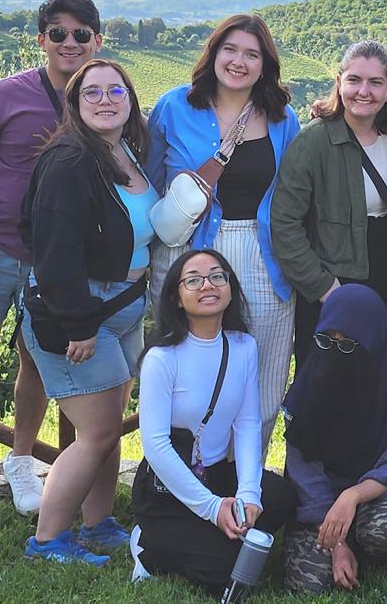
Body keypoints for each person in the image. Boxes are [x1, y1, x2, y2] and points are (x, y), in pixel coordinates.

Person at [0, 0, 104, 514]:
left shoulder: (104, 97)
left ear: (96, 42)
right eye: (58, 33)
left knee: (38, 357)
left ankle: (21, 461)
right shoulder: (6, 93)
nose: (69, 43)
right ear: (41, 40)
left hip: (57, 256)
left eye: (81, 34)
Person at [19, 58, 156, 565]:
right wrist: (78, 322)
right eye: (92, 92)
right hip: (79, 315)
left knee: (109, 424)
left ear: (130, 100)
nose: (105, 100)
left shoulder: (123, 150)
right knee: (96, 431)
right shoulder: (70, 159)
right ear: (74, 104)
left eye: (115, 91)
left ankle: (98, 525)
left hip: (122, 311)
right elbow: (54, 253)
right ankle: (49, 539)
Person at [145, 14, 301, 452]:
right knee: (189, 371)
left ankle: (243, 485)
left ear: (265, 65)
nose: (239, 61)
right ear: (213, 53)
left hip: (260, 251)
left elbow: (293, 193)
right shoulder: (174, 107)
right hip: (189, 251)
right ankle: (187, 486)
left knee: (265, 376)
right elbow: (150, 182)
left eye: (252, 54)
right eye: (230, 49)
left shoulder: (282, 119)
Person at [129, 249, 296, 593]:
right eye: (193, 279)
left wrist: (249, 495)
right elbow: (156, 446)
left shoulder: (243, 346)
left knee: (281, 495)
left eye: (217, 276)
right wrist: (212, 507)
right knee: (224, 572)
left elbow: (248, 423)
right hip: (166, 490)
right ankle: (148, 545)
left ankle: (217, 532)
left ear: (230, 287)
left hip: (218, 475)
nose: (208, 285)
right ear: (176, 297)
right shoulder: (161, 358)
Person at [272, 40, 387, 374]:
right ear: (339, 82)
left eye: (375, 83)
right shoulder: (313, 142)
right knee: (338, 387)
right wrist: (325, 289)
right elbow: (284, 225)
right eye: (355, 80)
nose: (364, 91)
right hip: (338, 278)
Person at [280, 284, 387, 594]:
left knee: (385, 532)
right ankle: (351, 543)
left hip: (385, 489)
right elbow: (303, 469)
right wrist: (336, 542)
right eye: (327, 340)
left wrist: (351, 497)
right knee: (307, 584)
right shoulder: (306, 387)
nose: (335, 351)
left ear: (374, 341)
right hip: (322, 496)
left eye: (349, 344)